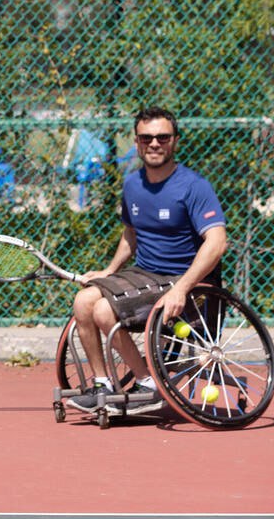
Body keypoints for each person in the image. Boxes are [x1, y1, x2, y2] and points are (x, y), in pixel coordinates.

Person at [66, 106, 227, 416]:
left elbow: (217, 242)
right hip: (144, 274)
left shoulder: (194, 186)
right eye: (147, 138)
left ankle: (149, 384)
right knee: (83, 300)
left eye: (163, 137)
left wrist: (182, 287)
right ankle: (102, 384)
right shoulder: (132, 184)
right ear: (137, 142)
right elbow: (131, 234)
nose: (155, 144)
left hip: (182, 280)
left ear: (175, 141)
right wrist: (109, 271)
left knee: (102, 309)